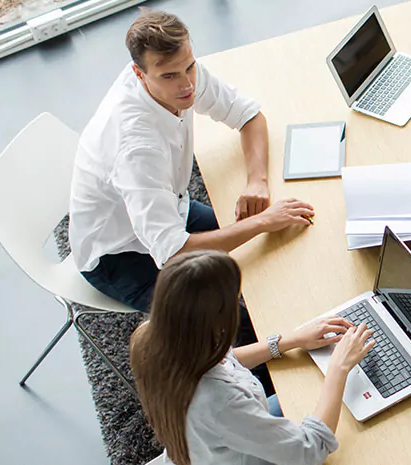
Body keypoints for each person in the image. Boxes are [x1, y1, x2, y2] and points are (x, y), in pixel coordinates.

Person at [69, 9, 314, 313]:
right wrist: (263, 221)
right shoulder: (136, 148)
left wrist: (257, 181)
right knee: (226, 324)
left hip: (170, 207)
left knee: (277, 244)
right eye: (170, 76)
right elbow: (171, 252)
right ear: (138, 73)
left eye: (190, 67)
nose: (186, 85)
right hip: (118, 254)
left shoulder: (178, 73)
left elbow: (248, 115)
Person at [131, 250, 375, 465]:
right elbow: (309, 451)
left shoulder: (150, 336)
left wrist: (290, 340)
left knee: (312, 391)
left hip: (214, 443)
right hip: (251, 449)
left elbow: (224, 360)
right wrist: (339, 367)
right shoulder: (219, 401)